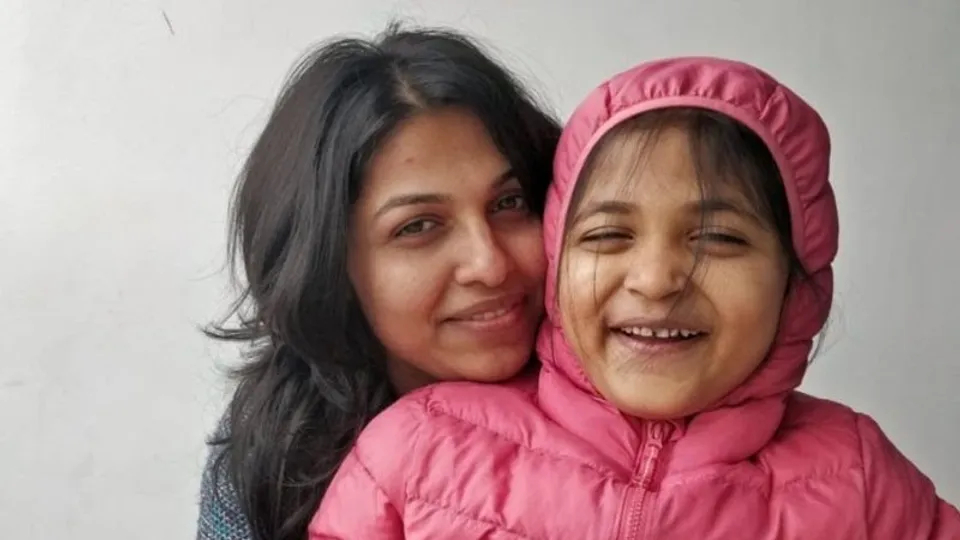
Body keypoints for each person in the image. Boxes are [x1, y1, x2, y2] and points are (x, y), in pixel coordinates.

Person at [308, 57, 960, 538]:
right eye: (609, 233)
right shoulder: (419, 447)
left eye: (721, 238)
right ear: (560, 258)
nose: (655, 279)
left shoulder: (862, 478)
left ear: (797, 283)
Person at [195, 23, 560, 540]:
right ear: (327, 263)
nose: (490, 263)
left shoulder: (645, 399)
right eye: (418, 226)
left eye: (509, 203)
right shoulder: (277, 451)